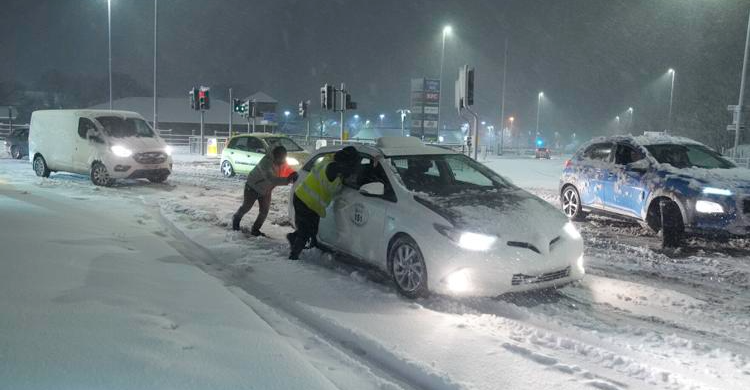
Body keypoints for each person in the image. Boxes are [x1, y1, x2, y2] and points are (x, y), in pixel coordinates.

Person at [287, 146, 361, 260]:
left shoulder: (330, 160)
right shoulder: (334, 168)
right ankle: (293, 257)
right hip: (306, 201)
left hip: (305, 199)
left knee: (311, 230)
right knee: (306, 232)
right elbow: (337, 184)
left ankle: (293, 238)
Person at [233, 145, 298, 236]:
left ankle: (255, 230)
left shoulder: (282, 161)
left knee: (264, 211)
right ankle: (236, 219)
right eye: (280, 158)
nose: (282, 161)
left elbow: (287, 169)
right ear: (275, 156)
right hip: (253, 187)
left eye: (283, 158)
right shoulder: (266, 162)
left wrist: (293, 174)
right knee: (246, 207)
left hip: (266, 190)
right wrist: (288, 180)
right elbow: (271, 179)